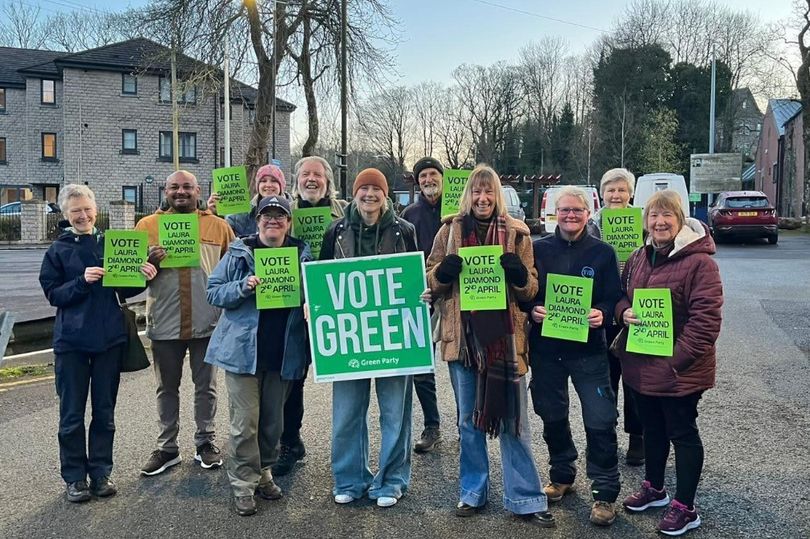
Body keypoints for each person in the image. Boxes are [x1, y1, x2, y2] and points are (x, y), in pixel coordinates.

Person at [426, 164, 554, 528]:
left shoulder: (517, 234)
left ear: (497, 196)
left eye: (489, 192)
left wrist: (516, 273)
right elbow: (431, 279)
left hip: (504, 342)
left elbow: (530, 288)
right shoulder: (448, 230)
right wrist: (444, 272)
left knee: (513, 421)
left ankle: (526, 496)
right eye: (477, 192)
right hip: (463, 341)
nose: (482, 199)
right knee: (469, 421)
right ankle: (473, 491)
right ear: (468, 195)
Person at [39, 184, 157, 502]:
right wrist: (81, 281)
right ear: (65, 214)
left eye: (87, 208)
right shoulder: (57, 251)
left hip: (109, 340)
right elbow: (53, 294)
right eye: (75, 210)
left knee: (104, 412)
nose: (83, 215)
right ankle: (75, 478)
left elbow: (124, 290)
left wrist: (145, 275)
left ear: (96, 209)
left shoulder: (111, 243)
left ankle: (101, 472)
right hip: (72, 343)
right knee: (72, 414)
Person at [615, 190, 722, 536]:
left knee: (682, 433)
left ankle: (685, 506)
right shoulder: (638, 257)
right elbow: (621, 296)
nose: (659, 222)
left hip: (680, 370)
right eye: (653, 216)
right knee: (652, 430)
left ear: (680, 220)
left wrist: (675, 362)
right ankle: (655, 488)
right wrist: (622, 312)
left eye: (667, 216)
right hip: (641, 366)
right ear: (645, 221)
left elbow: (706, 321)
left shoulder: (700, 262)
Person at [205, 195, 312, 516]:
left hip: (284, 354)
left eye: (280, 216)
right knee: (244, 424)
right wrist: (242, 287)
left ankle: (264, 472)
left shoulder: (302, 255)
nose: (273, 221)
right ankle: (242, 484)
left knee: (271, 424)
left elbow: (319, 293)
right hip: (243, 354)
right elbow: (213, 291)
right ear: (257, 220)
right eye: (267, 216)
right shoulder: (240, 251)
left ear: (289, 222)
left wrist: (311, 303)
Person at [320, 168, 419, 508]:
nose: (369, 195)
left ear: (386, 194)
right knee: (347, 413)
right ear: (355, 192)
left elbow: (414, 278)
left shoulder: (404, 230)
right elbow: (320, 277)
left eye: (376, 189)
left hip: (394, 336)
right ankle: (350, 479)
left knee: (395, 413)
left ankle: (391, 481)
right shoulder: (335, 230)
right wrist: (312, 305)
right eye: (364, 189)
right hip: (349, 338)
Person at [526, 185, 623, 526]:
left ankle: (605, 492)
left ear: (587, 213)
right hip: (546, 351)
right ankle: (562, 474)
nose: (570, 215)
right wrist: (532, 310)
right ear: (555, 213)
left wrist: (603, 312)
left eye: (577, 211)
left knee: (600, 418)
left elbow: (614, 297)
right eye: (564, 210)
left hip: (589, 352)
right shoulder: (538, 250)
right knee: (551, 414)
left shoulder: (603, 253)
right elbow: (526, 293)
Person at [135, 170, 235, 476]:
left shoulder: (218, 227)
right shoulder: (147, 226)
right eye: (175, 187)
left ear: (198, 190)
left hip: (208, 321)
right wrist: (149, 263)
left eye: (187, 187)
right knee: (166, 387)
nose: (181, 192)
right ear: (165, 191)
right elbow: (129, 278)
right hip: (165, 321)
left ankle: (206, 442)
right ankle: (167, 448)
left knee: (206, 386)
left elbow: (235, 270)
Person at [272, 156, 348, 477]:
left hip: (339, 301)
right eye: (306, 174)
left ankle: (349, 452)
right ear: (297, 180)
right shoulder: (286, 211)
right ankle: (290, 441)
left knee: (348, 377)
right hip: (296, 304)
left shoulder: (345, 211)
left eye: (318, 174)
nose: (311, 179)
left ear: (328, 181)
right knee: (293, 377)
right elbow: (251, 225)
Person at [588, 168, 645, 466]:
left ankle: (638, 436)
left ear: (631, 193)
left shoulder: (644, 223)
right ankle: (605, 432)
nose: (616, 195)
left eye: (621, 190)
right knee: (605, 379)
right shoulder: (592, 225)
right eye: (610, 190)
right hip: (603, 312)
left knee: (635, 380)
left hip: (635, 311)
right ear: (602, 194)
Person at [400, 156, 445, 453]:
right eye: (423, 176)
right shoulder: (409, 214)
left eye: (433, 174)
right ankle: (433, 425)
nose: (428, 180)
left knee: (462, 364)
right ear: (417, 183)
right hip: (424, 296)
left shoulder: (459, 209)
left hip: (460, 294)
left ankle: (470, 425)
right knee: (422, 365)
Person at [208, 164, 288, 237]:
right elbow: (225, 235)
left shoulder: (293, 210)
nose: (268, 185)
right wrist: (215, 214)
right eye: (263, 181)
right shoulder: (243, 214)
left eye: (274, 181)